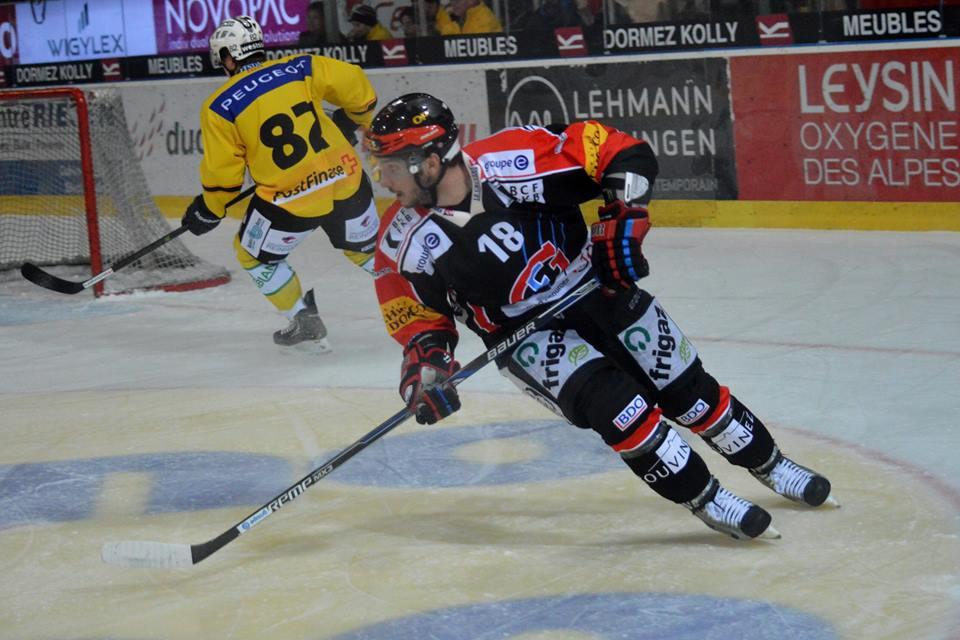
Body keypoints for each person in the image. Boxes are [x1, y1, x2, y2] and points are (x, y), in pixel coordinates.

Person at [364, 93, 836, 540]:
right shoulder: (399, 240)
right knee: (621, 412)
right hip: (522, 333)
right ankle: (706, 498)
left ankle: (771, 465)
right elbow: (419, 319)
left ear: (428, 162)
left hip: (595, 285)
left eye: (388, 167)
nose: (382, 180)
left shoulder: (514, 159)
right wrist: (426, 369)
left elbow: (617, 151)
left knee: (688, 392)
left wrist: (623, 218)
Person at [181, 15, 379, 350]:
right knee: (367, 252)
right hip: (347, 181)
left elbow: (223, 177)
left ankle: (303, 318)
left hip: (290, 201)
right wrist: (355, 118)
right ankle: (431, 296)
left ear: (228, 56)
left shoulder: (219, 106)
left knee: (252, 255)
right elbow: (355, 83)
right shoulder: (300, 67)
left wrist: (209, 209)